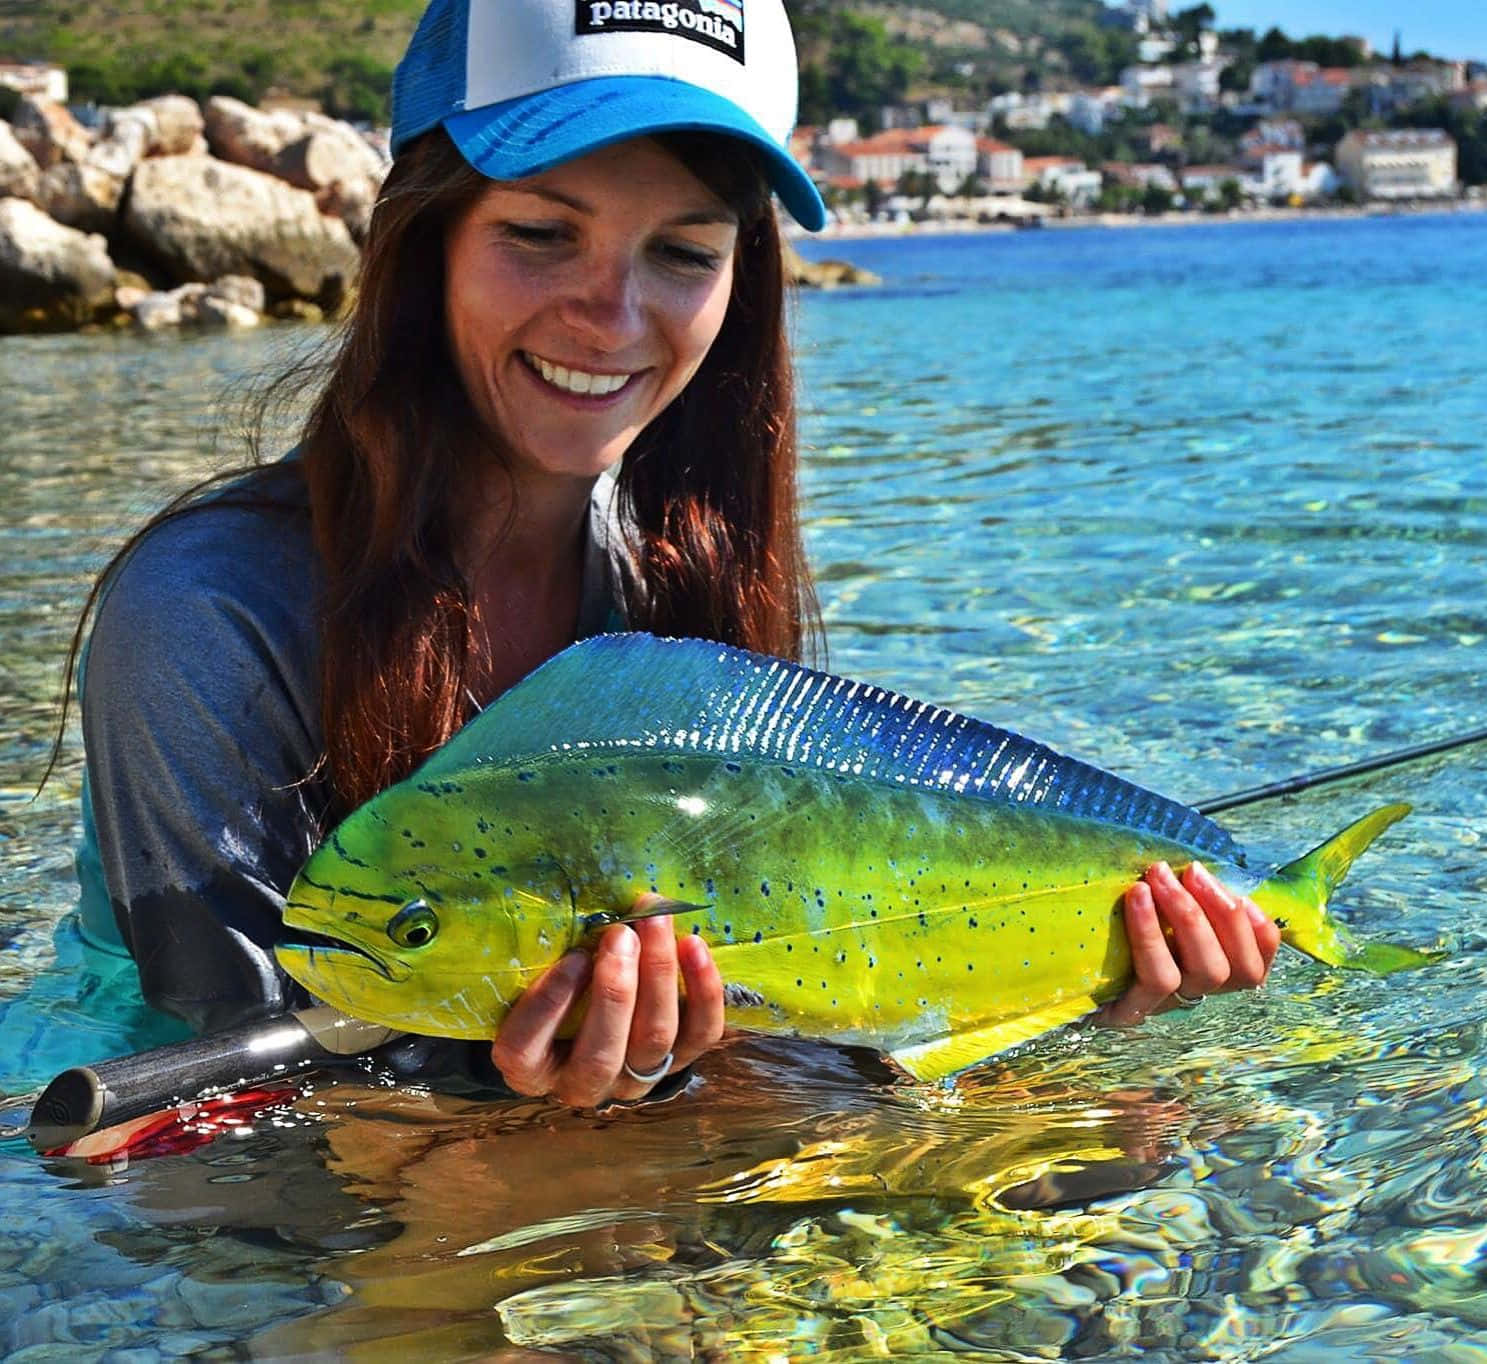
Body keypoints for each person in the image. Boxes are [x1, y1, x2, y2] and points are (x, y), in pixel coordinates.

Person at [69, 0, 1279, 1111]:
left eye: (685, 252)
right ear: (420, 237)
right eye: (542, 232)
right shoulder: (200, 613)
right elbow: (229, 1155)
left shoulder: (674, 577)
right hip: (249, 1224)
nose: (614, 316)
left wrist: (1063, 978)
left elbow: (786, 1012)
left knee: (1109, 1148)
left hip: (538, 1151)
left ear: (741, 279)